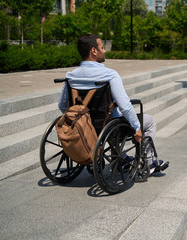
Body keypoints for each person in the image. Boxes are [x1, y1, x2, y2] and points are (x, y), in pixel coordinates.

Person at [58, 34, 168, 173]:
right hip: (110, 126)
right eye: (102, 48)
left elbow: (63, 106)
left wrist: (79, 122)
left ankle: (121, 158)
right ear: (94, 51)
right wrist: (136, 127)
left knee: (111, 118)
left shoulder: (70, 76)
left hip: (85, 126)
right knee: (148, 121)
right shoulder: (109, 74)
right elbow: (125, 105)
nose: (104, 51)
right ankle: (151, 163)